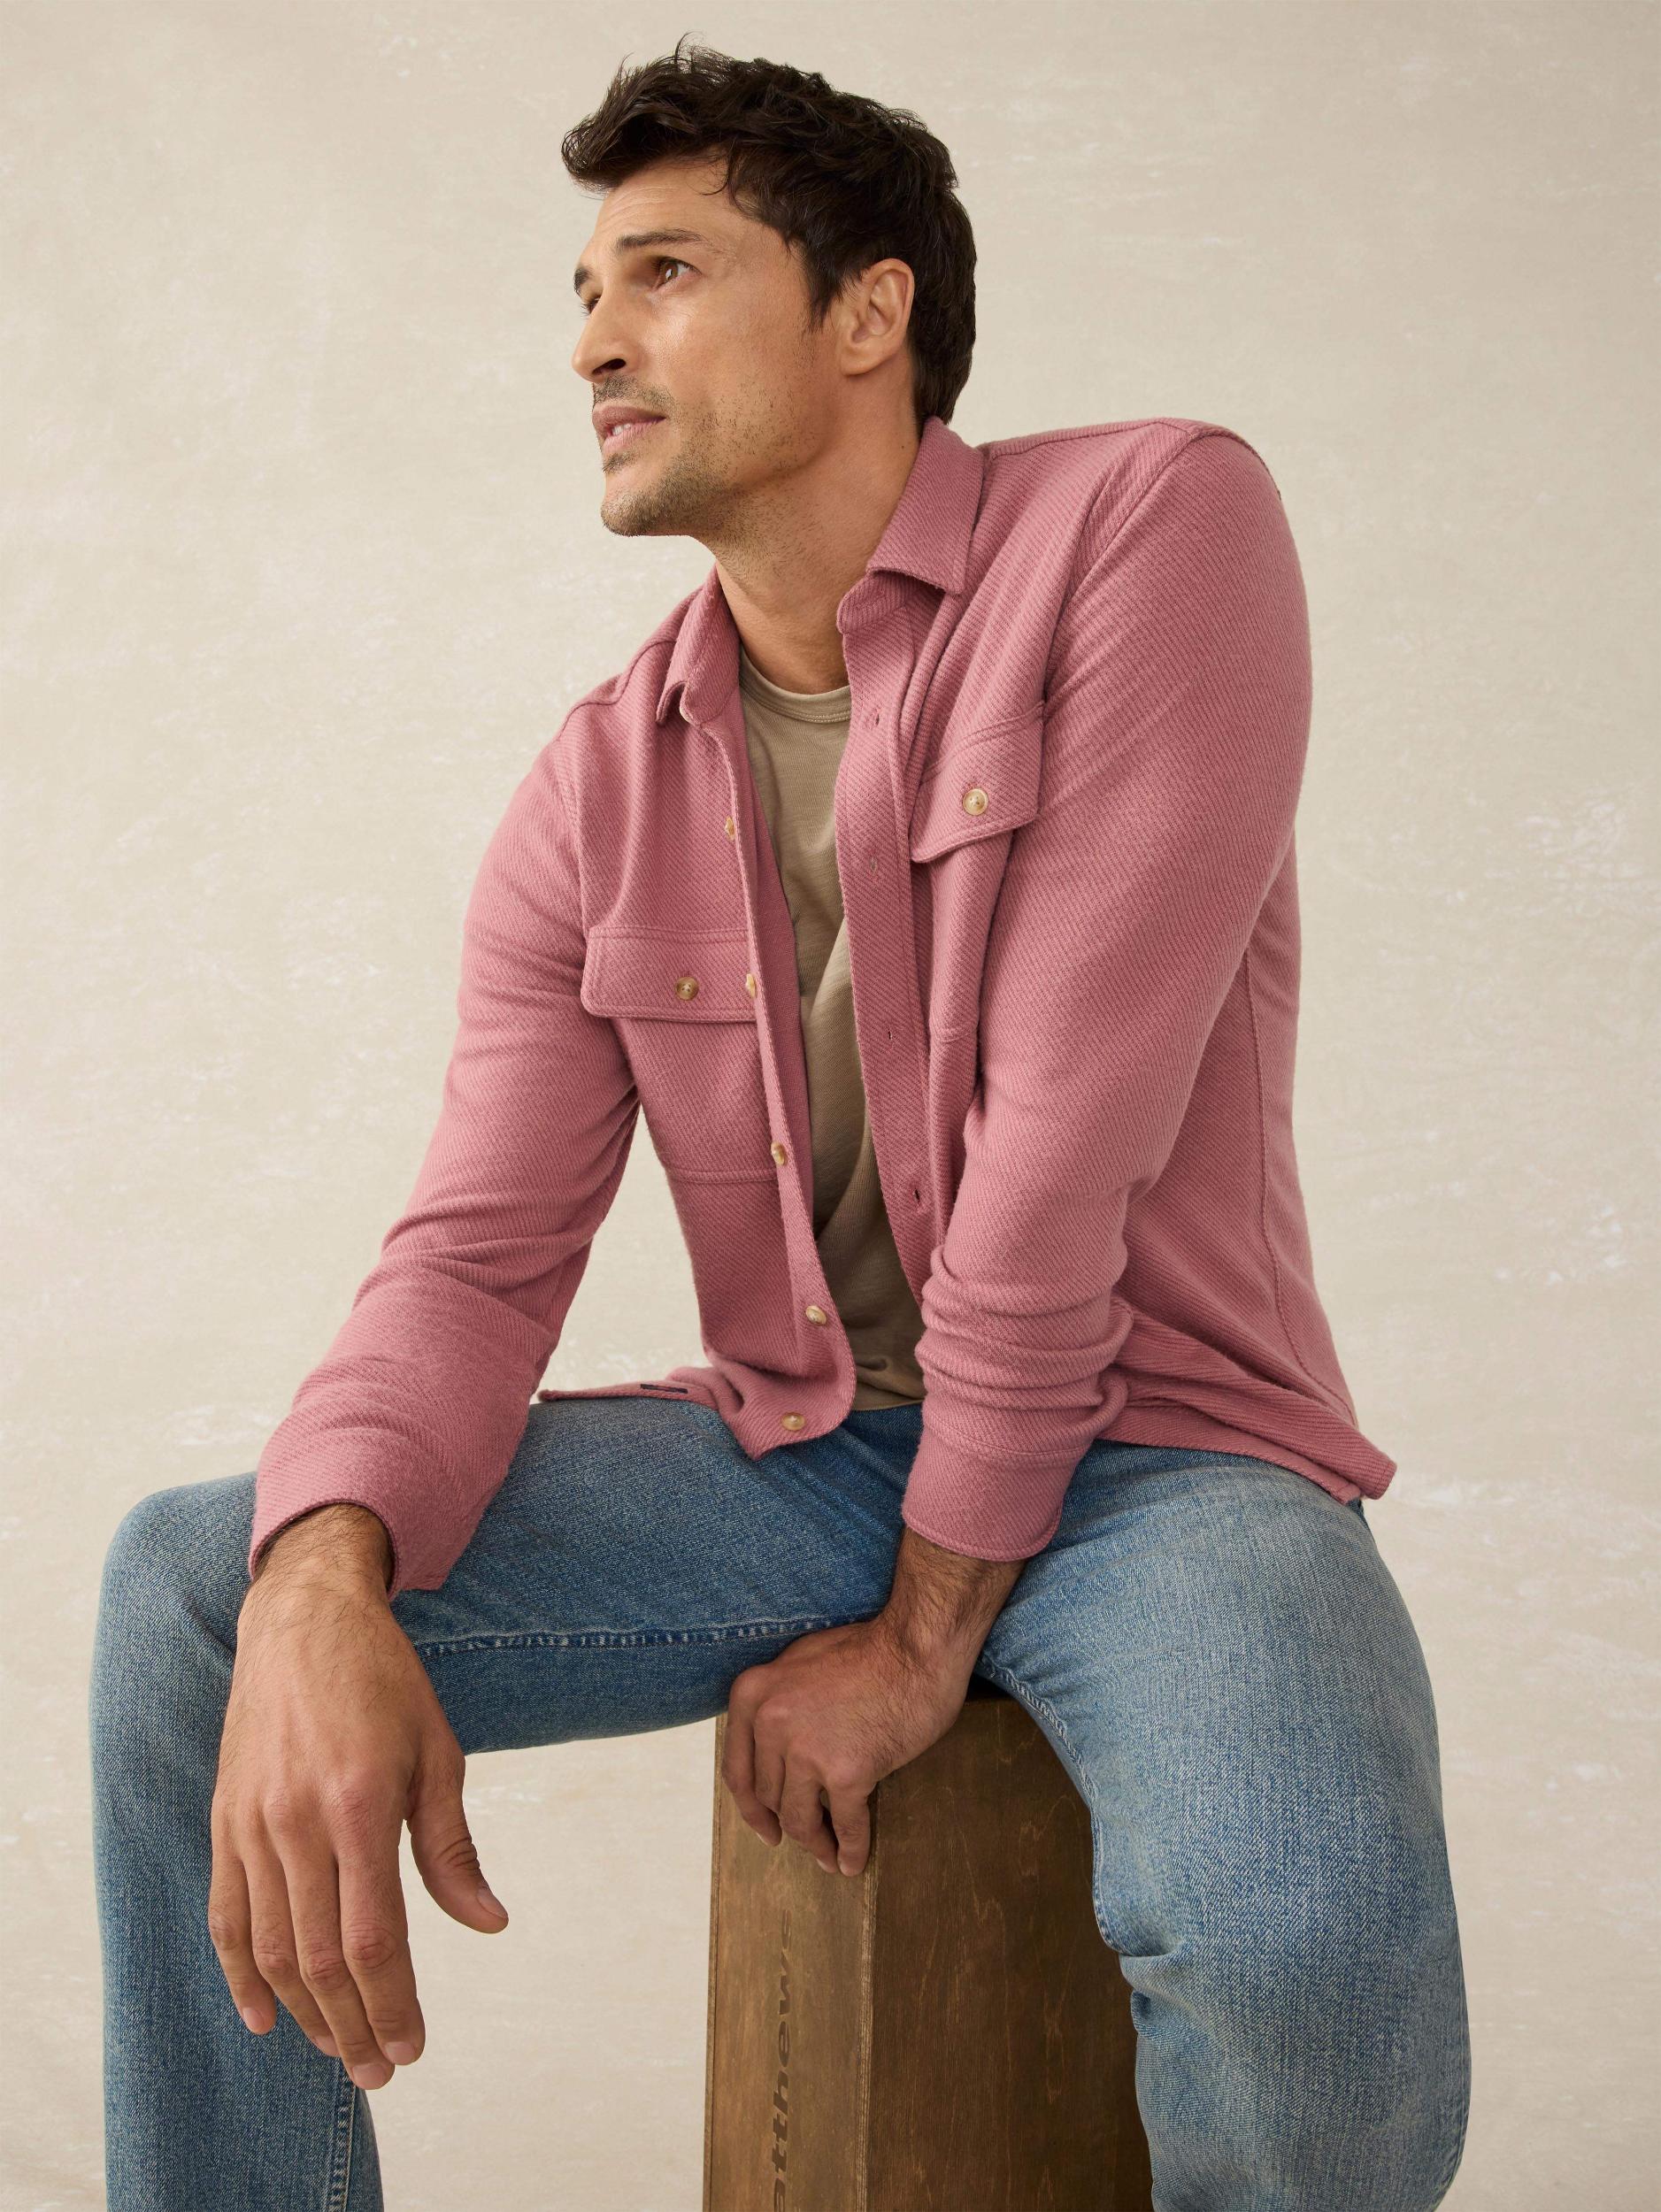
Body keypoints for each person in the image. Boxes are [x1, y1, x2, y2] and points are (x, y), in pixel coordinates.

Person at [90, 37, 1470, 2210]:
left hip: (1169, 1451)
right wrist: (323, 1568)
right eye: (582, 291)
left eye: (662, 272)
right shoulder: (595, 786)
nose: (590, 344)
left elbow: (1058, 1155)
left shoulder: (1154, 525)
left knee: (1305, 1938)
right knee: (208, 1586)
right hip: (818, 1458)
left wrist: (923, 1645)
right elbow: (472, 1257)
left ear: (867, 310)